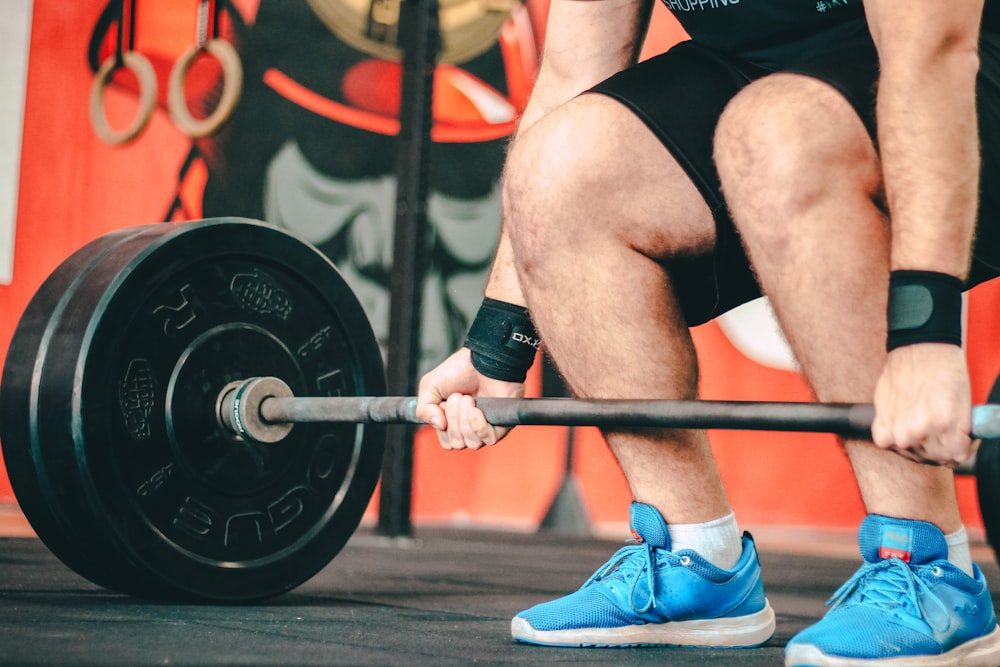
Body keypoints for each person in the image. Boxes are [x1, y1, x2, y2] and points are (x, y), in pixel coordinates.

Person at [415, 0, 1000, 664]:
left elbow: (934, 52)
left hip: (959, 85)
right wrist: (500, 338)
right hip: (776, 99)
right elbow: (576, 68)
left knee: (777, 131)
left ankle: (929, 566)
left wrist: (924, 336)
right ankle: (694, 556)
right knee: (561, 162)